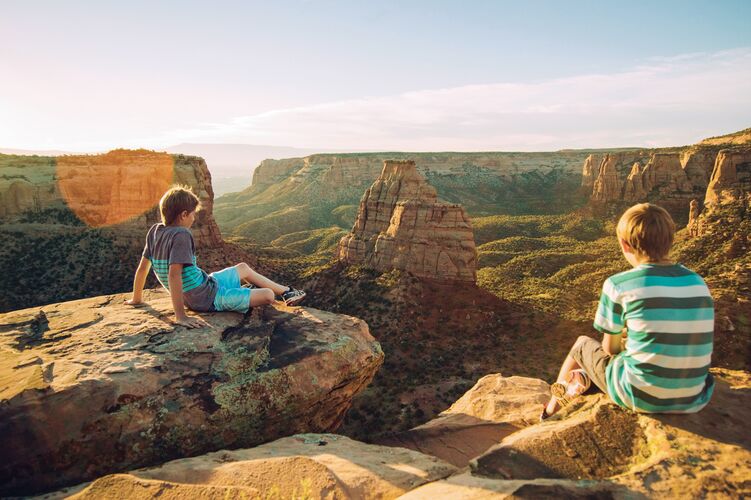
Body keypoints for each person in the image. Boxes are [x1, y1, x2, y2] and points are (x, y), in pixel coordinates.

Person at [541, 203, 714, 420]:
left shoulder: (618, 284)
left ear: (624, 245)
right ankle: (586, 381)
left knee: (581, 345)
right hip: (694, 396)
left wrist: (623, 342)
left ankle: (549, 412)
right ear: (673, 239)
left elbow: (610, 349)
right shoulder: (697, 282)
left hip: (638, 396)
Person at [125, 185, 305, 327]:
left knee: (242, 267)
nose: (194, 219)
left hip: (205, 285)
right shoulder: (182, 234)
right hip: (207, 299)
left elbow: (143, 268)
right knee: (267, 295)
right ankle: (247, 292)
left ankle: (286, 292)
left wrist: (137, 299)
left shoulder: (155, 231)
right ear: (184, 215)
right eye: (192, 214)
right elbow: (174, 275)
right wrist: (181, 316)